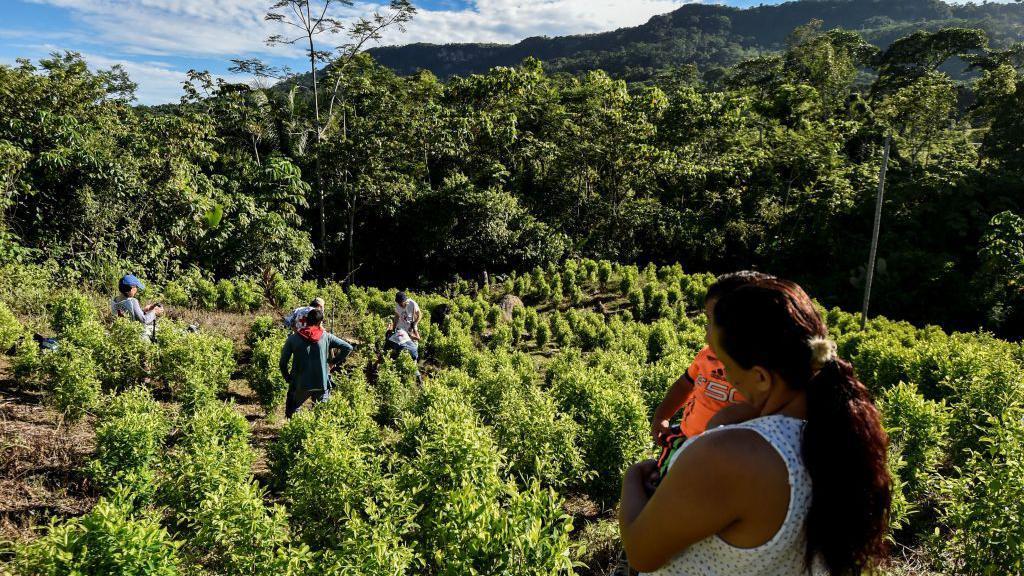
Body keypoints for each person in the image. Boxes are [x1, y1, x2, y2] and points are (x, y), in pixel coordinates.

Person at [619, 278, 891, 575]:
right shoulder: (836, 435)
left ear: (761, 377)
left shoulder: (733, 456)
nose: (728, 378)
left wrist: (633, 477)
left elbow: (640, 553)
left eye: (727, 367)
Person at [649, 272, 769, 480]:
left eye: (713, 321)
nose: (707, 330)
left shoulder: (762, 373)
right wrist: (662, 416)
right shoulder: (707, 356)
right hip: (688, 437)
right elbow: (684, 385)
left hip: (726, 458)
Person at [279, 308, 353, 418]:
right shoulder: (326, 336)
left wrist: (288, 378)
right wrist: (333, 362)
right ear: (319, 322)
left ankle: (296, 433)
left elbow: (282, 363)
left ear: (306, 320)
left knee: (292, 412)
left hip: (300, 383)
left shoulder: (293, 339)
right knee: (322, 416)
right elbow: (348, 347)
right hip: (321, 382)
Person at [111, 274, 164, 341]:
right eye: (136, 287)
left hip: (121, 334)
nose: (136, 290)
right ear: (131, 288)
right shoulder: (133, 301)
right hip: (135, 337)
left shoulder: (114, 300)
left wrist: (144, 310)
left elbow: (130, 314)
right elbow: (144, 320)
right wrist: (154, 312)